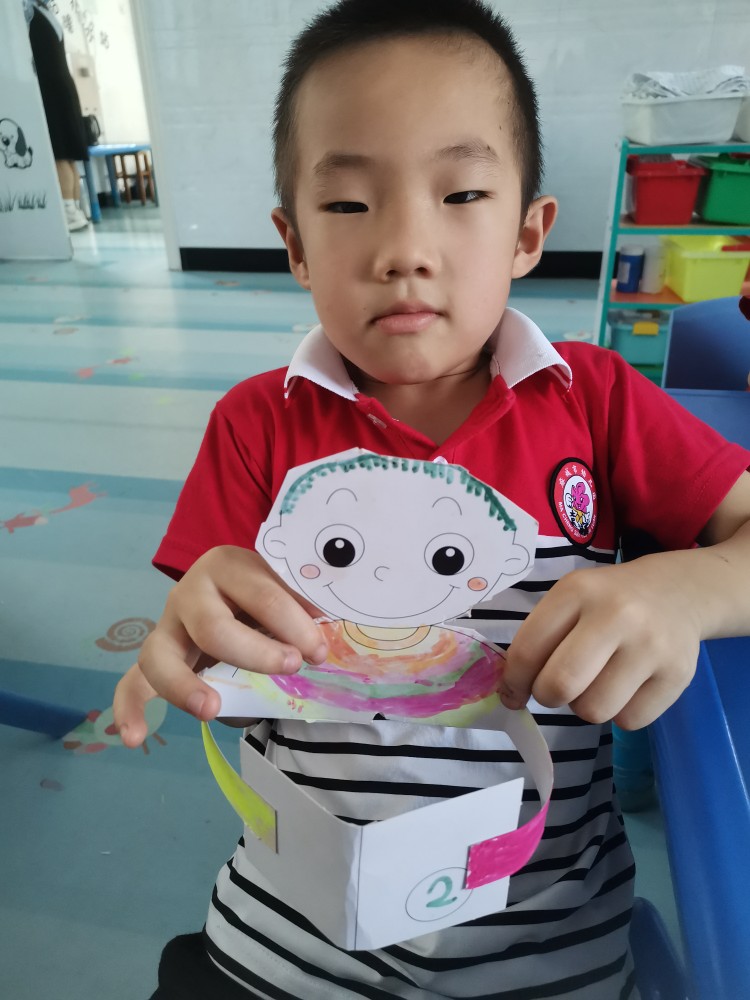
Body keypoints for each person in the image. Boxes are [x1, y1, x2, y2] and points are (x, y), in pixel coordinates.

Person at [113, 2, 750, 997]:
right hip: (286, 940)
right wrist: (189, 647)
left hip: (544, 948)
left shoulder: (597, 401)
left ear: (529, 231)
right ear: (293, 244)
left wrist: (688, 588)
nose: (404, 248)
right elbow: (210, 647)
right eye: (348, 205)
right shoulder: (255, 425)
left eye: (460, 193)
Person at [26, 0, 89, 231]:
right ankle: (76, 210)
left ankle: (69, 213)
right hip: (64, 87)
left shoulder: (30, 13)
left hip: (51, 89)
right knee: (68, 156)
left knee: (60, 154)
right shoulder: (47, 14)